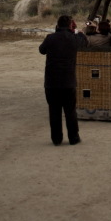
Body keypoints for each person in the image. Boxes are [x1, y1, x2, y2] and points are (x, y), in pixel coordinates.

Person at [39, 14, 88, 146]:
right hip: (68, 81)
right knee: (70, 111)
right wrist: (81, 33)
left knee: (54, 111)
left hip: (51, 81)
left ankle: (56, 139)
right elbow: (85, 42)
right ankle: (73, 137)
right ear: (70, 26)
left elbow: (41, 50)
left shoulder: (50, 38)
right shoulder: (74, 38)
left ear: (57, 25)